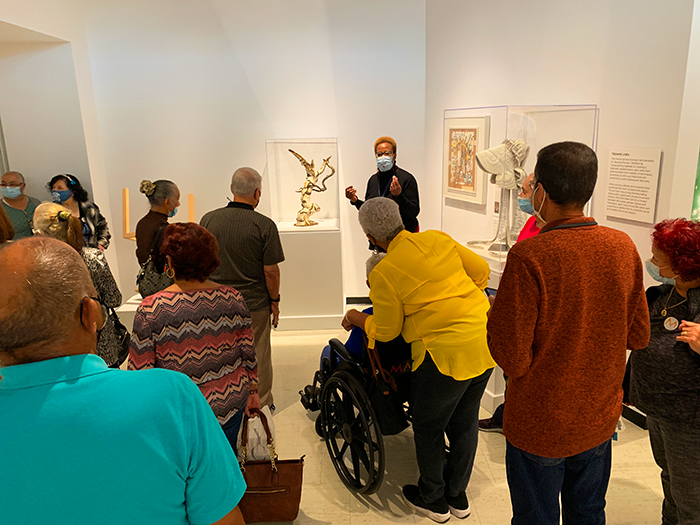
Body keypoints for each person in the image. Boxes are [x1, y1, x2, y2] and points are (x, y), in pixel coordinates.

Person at [0, 236, 246, 525]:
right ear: (90, 313)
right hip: (228, 401)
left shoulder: (153, 308)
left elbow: (140, 360)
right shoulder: (171, 397)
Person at [487, 141, 651, 525]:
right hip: (597, 417)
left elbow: (512, 357)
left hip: (540, 423)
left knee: (535, 518)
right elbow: (639, 336)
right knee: (589, 512)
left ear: (540, 191)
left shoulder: (531, 257)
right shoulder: (623, 247)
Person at [343, 197, 495, 523]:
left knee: (428, 426)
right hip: (483, 341)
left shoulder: (385, 271)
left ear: (370, 237)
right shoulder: (437, 238)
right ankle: (458, 495)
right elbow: (481, 271)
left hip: (442, 355)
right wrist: (464, 301)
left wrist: (356, 316)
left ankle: (434, 500)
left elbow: (385, 330)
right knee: (465, 420)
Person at [129, 222, 259, 450]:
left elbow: (141, 375)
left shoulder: (152, 308)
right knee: (227, 466)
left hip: (179, 413)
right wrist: (254, 390)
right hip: (231, 401)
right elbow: (247, 351)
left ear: (170, 261)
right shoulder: (233, 298)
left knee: (187, 477)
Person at [629, 218, 700, 525]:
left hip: (689, 418)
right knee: (670, 478)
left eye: (659, 257)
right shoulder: (664, 294)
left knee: (691, 497)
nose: (652, 261)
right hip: (657, 409)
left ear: (682, 264)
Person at [201, 167, 284, 409]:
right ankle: (262, 403)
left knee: (220, 351)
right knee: (258, 352)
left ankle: (226, 399)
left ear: (232, 189)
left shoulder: (208, 220)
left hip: (215, 301)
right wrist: (275, 300)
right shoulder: (264, 225)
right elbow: (271, 271)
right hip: (254, 302)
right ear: (258, 192)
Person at [479, 172, 542, 433]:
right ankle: (508, 414)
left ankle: (517, 420)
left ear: (541, 193)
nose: (520, 197)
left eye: (525, 192)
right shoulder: (531, 223)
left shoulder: (543, 236)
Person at [33, 202, 123, 367]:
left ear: (41, 233)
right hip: (100, 343)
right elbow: (114, 298)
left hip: (60, 350)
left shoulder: (37, 266)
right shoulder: (93, 257)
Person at [345, 136, 420, 234]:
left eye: (387, 153)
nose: (383, 157)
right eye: (379, 154)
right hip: (381, 236)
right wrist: (355, 200)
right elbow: (370, 210)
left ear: (394, 155)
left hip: (404, 235)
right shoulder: (373, 180)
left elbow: (414, 212)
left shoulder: (406, 179)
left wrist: (398, 195)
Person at [47, 173, 110, 250]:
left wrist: (101, 244)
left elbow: (102, 227)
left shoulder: (89, 208)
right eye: (53, 188)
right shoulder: (50, 211)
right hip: (65, 255)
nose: (55, 191)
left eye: (60, 188)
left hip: (92, 254)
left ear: (72, 191)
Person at [135, 179, 181, 267]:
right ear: (167, 202)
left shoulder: (142, 223)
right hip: (164, 278)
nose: (178, 204)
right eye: (177, 199)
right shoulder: (166, 229)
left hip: (149, 278)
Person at [1, 171, 41, 239]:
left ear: (23, 186)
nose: (7, 188)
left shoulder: (35, 203)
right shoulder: (1, 209)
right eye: (3, 185)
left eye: (12, 184)